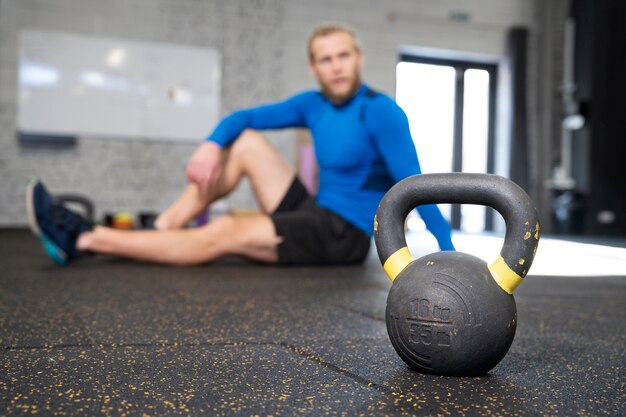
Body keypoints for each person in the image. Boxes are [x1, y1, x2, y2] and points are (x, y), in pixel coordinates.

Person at [26, 23, 455, 266]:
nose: (336, 66)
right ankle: (161, 230)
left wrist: (447, 249)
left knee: (226, 231)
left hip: (343, 236)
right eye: (326, 59)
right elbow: (244, 118)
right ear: (313, 67)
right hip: (314, 211)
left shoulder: (381, 111)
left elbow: (414, 183)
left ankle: (83, 238)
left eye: (343, 56)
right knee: (245, 142)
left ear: (357, 58)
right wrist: (211, 144)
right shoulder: (313, 104)